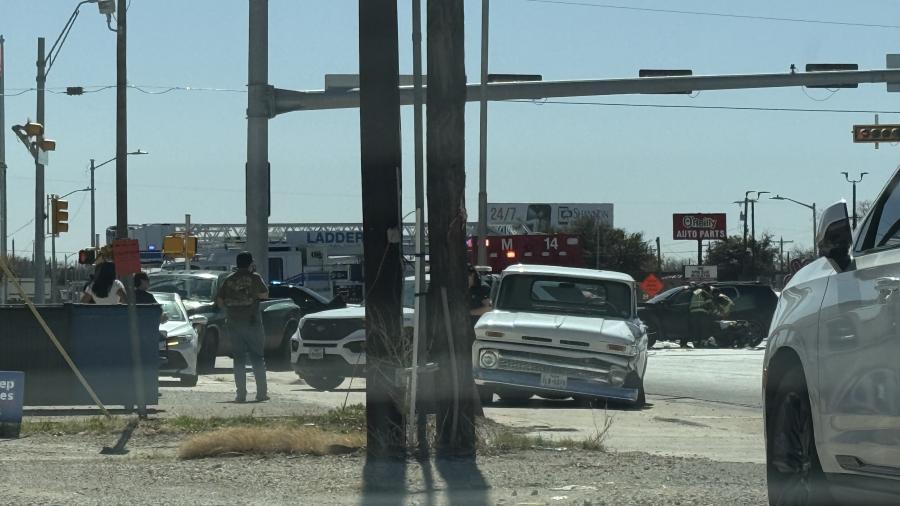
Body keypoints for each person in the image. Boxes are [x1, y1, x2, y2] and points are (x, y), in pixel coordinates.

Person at [216, 251, 269, 403]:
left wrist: (230, 310)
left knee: (238, 359)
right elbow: (265, 295)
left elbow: (220, 301)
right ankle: (261, 393)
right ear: (250, 263)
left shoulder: (228, 280)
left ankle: (241, 395)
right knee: (257, 358)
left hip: (234, 323)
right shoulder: (255, 278)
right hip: (253, 323)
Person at [685, 283, 713, 348]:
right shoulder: (704, 292)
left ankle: (695, 342)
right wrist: (711, 311)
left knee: (695, 328)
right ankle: (702, 342)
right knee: (703, 328)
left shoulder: (694, 292)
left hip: (693, 312)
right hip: (702, 312)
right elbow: (709, 302)